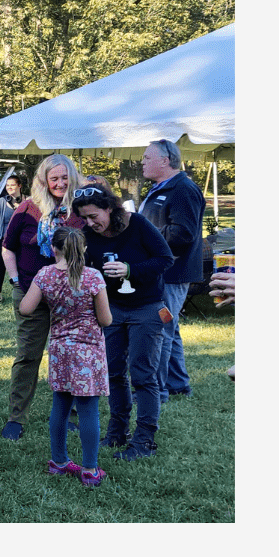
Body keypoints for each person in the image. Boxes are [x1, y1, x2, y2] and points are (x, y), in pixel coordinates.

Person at [74, 180, 175, 460]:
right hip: (112, 309)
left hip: (147, 307)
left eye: (94, 216)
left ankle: (144, 439)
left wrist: (130, 269)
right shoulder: (87, 235)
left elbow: (165, 259)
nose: (90, 223)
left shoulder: (138, 224)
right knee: (114, 373)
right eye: (84, 218)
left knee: (143, 374)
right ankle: (117, 431)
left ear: (109, 208)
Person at [18, 223, 112, 487]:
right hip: (88, 352)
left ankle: (59, 462)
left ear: (53, 248)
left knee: (60, 406)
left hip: (60, 348)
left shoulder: (45, 275)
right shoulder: (93, 277)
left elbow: (26, 308)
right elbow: (105, 320)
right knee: (88, 410)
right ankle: (90, 469)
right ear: (83, 248)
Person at [0, 152, 79, 439]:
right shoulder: (27, 209)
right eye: (54, 178)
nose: (59, 184)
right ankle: (16, 417)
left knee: (68, 354)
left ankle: (70, 414)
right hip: (30, 291)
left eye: (64, 178)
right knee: (28, 356)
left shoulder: (80, 210)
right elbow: (7, 247)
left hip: (70, 296)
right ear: (44, 180)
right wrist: (16, 279)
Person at [137, 138, 204, 401]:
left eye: (146, 158)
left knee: (160, 327)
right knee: (169, 327)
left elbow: (183, 234)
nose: (142, 162)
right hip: (162, 270)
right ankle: (178, 384)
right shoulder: (162, 187)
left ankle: (157, 390)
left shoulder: (182, 189)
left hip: (172, 272)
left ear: (165, 161)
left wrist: (146, 233)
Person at [0, 173, 23, 301]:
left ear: (19, 186)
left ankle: (23, 290)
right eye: (8, 185)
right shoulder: (1, 203)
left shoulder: (28, 201)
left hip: (22, 240)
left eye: (13, 185)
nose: (10, 187)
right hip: (4, 240)